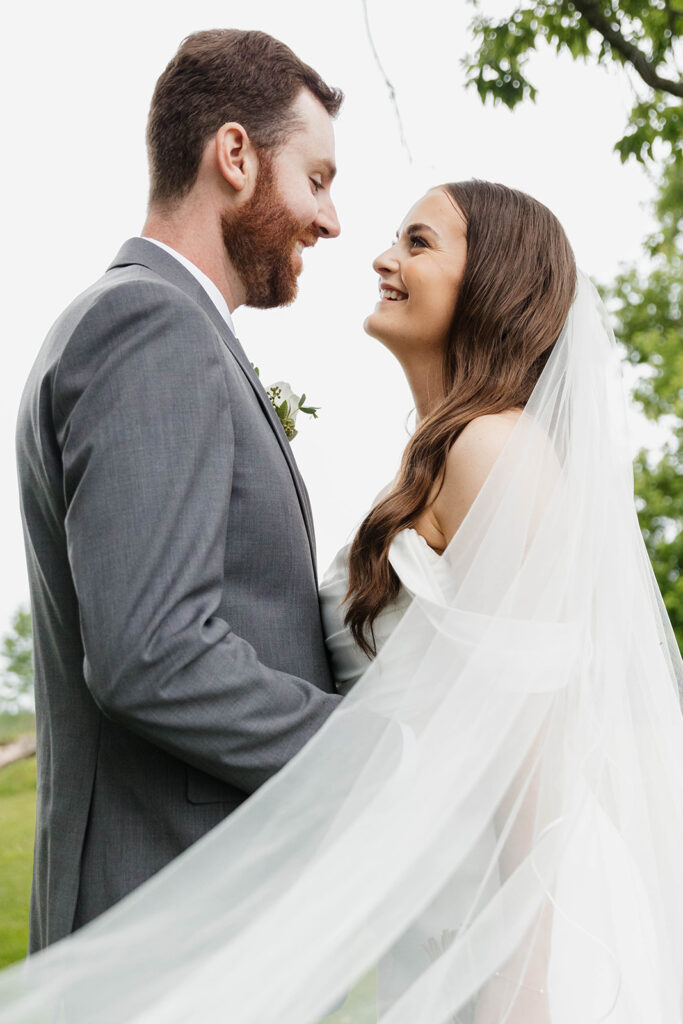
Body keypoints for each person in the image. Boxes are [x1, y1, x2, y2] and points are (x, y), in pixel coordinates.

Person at [3, 181, 683, 1022]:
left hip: (519, 913)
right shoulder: (430, 463)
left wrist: (528, 987)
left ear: (493, 283)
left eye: (419, 242)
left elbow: (536, 748)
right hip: (439, 904)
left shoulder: (495, 449)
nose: (381, 256)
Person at [14, 28, 343, 953]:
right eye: (315, 178)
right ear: (234, 156)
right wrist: (373, 750)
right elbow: (151, 653)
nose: (331, 220)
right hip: (163, 925)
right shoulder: (149, 325)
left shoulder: (152, 321)